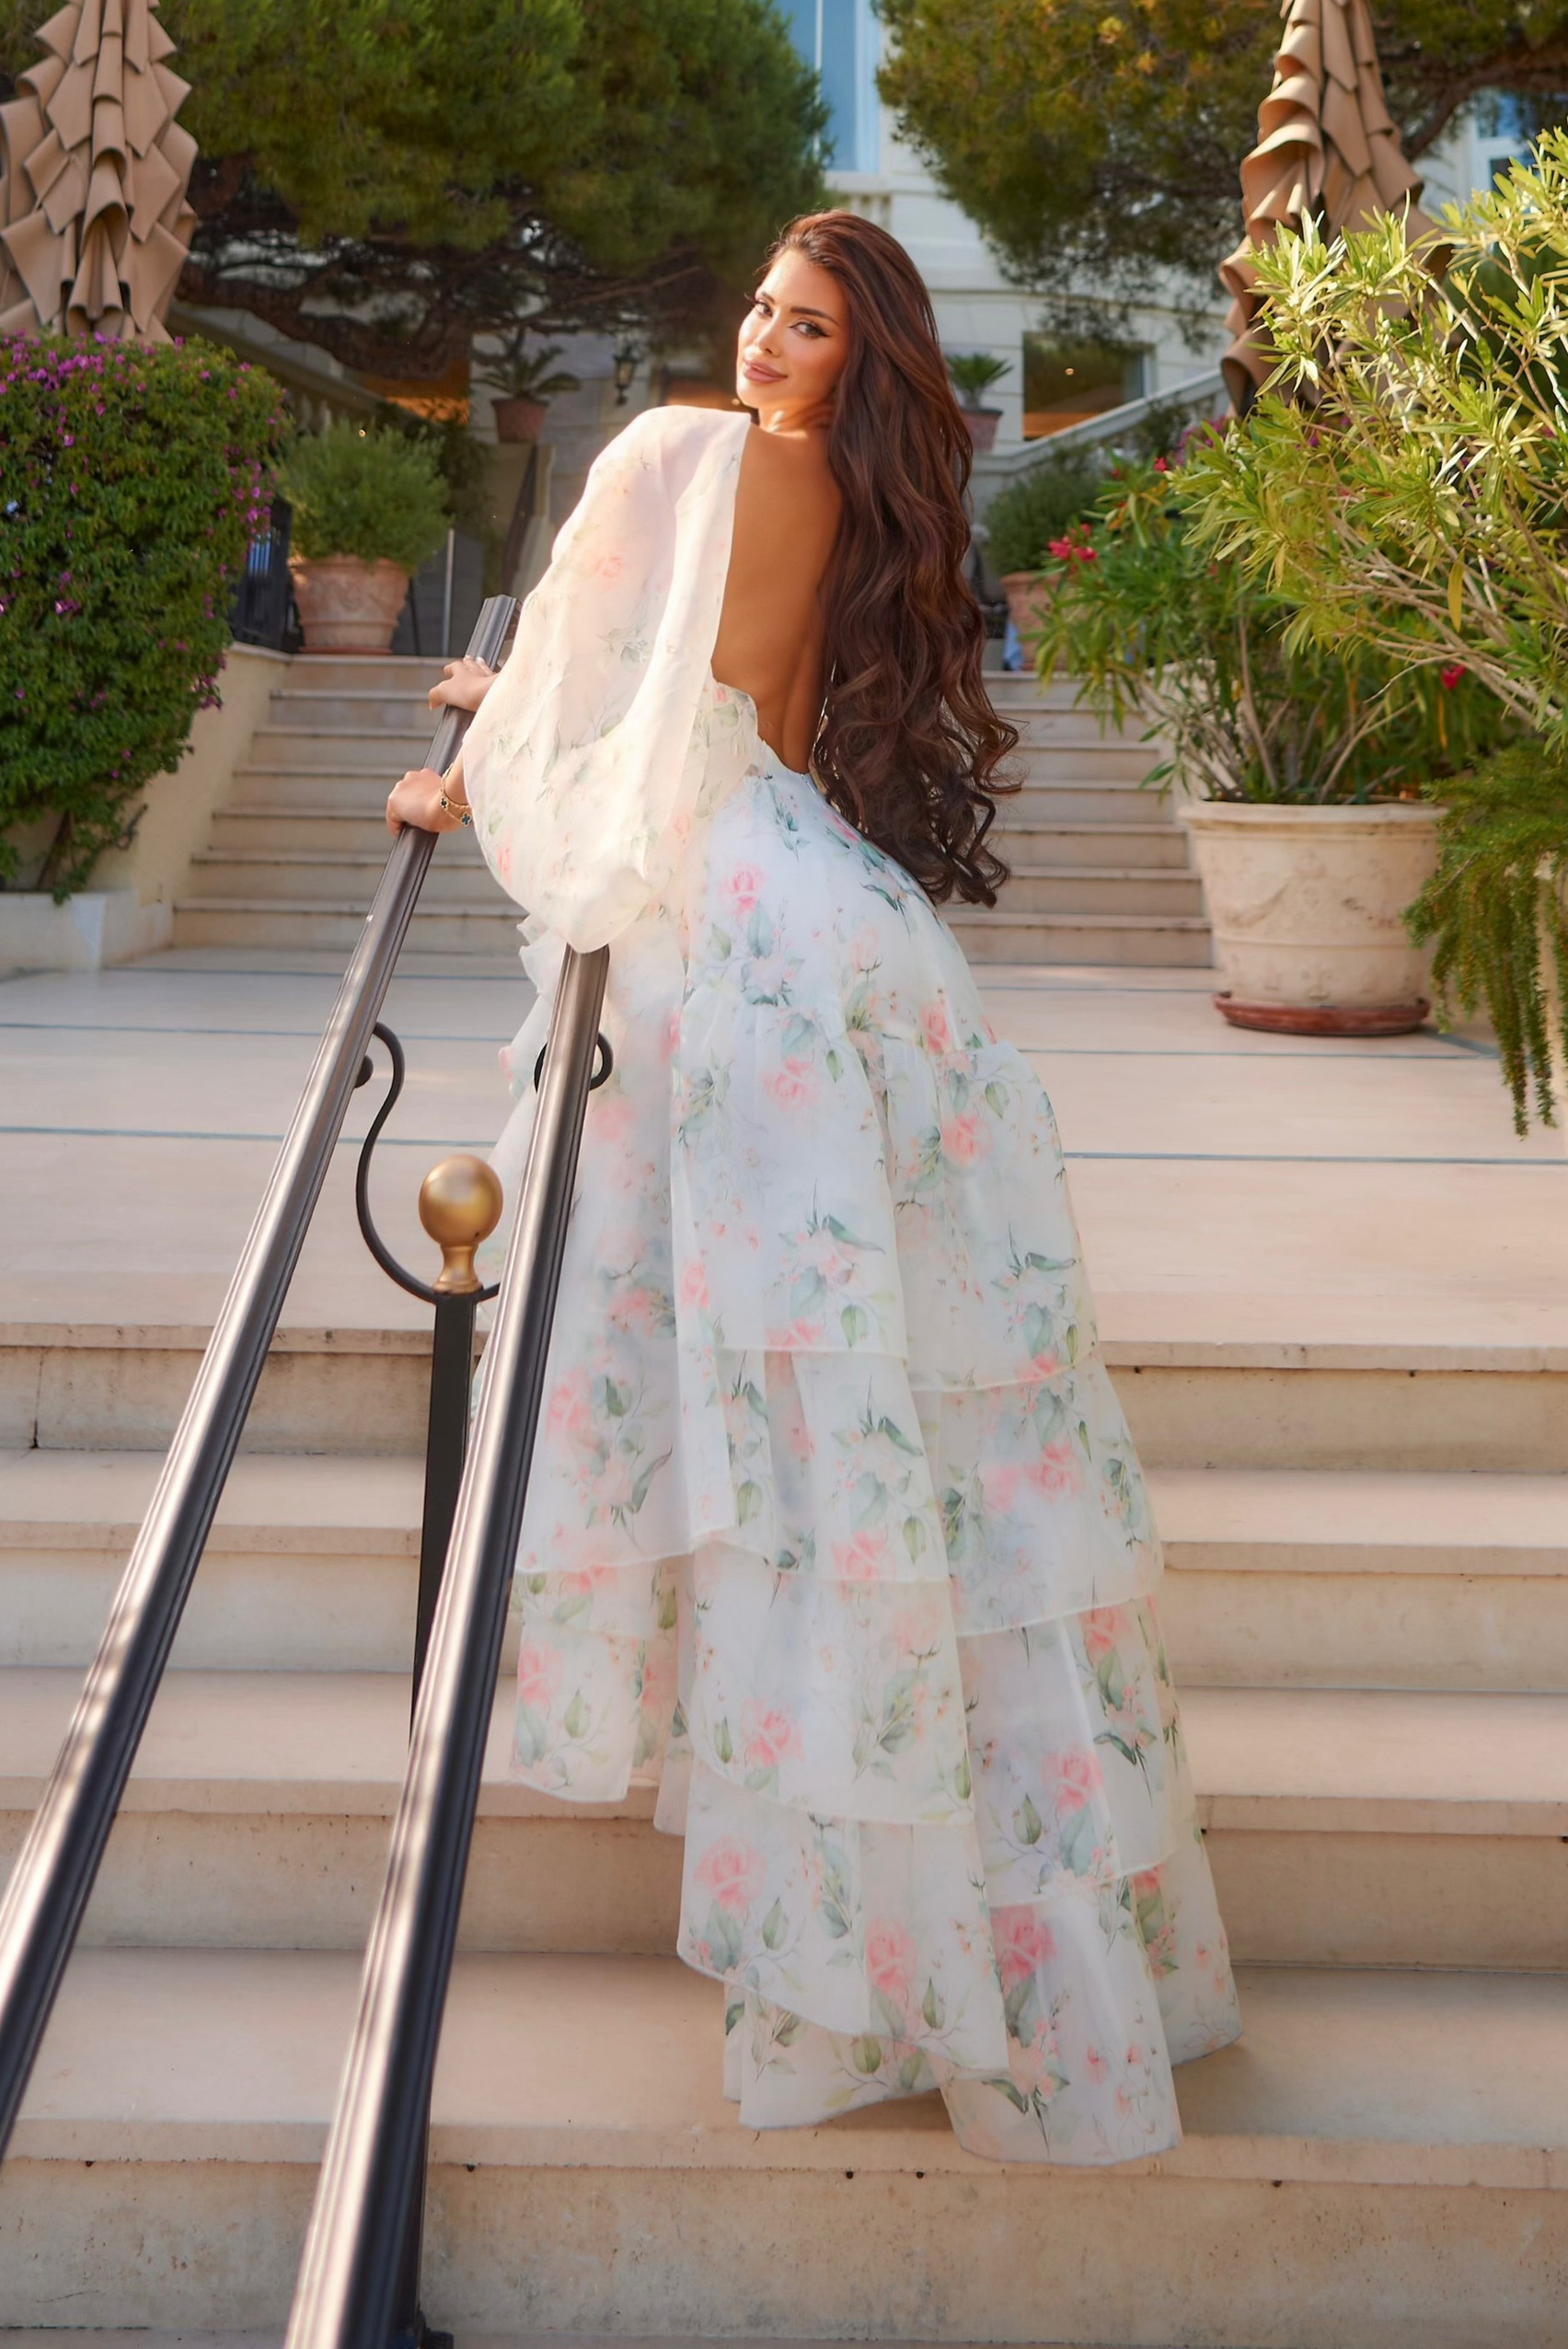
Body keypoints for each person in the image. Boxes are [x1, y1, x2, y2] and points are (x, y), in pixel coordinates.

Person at [386, 211, 1236, 2163]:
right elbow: (731, 710)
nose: (768, 342)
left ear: (857, 355)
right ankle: (936, 1878)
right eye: (762, 311)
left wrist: (464, 774)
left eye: (807, 324)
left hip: (720, 919)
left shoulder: (669, 451)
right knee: (850, 1386)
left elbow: (584, 690)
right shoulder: (861, 512)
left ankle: (822, 1864)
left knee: (764, 1378)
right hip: (817, 904)